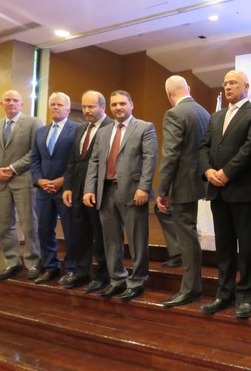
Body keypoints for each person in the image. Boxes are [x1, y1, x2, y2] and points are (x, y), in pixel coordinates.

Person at [199, 70, 251, 318]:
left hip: (242, 189)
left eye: (233, 83)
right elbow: (204, 146)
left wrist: (226, 173)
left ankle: (247, 296)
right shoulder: (216, 116)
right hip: (217, 190)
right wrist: (208, 170)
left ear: (246, 86)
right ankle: (224, 294)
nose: (227, 87)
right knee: (224, 246)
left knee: (246, 246)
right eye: (225, 83)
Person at [83, 90, 158, 302]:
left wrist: (144, 188)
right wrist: (89, 189)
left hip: (134, 192)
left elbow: (150, 159)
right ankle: (117, 280)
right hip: (105, 192)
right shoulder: (103, 132)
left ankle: (137, 281)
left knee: (137, 240)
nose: (118, 107)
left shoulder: (144, 127)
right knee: (111, 240)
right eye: (114, 104)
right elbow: (94, 162)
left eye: (122, 103)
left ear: (131, 105)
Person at [157, 76, 210, 308]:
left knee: (187, 238)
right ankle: (192, 286)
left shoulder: (174, 114)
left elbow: (171, 154)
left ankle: (190, 289)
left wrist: (162, 189)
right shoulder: (204, 112)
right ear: (188, 88)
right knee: (190, 235)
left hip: (182, 184)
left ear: (168, 93)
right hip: (200, 181)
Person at [0, 90, 42, 280]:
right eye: (7, 100)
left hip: (23, 180)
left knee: (29, 224)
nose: (11, 103)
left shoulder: (33, 122)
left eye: (15, 100)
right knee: (3, 226)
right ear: (1, 104)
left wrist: (12, 168)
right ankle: (12, 263)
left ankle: (33, 263)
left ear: (22, 104)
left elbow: (35, 151)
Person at [62, 91, 112, 292]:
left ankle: (103, 276)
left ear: (103, 107)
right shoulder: (81, 129)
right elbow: (73, 160)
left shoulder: (112, 128)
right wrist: (68, 186)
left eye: (91, 107)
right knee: (81, 234)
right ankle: (82, 272)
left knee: (100, 235)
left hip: (100, 192)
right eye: (84, 107)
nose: (86, 111)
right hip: (77, 191)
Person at [30, 92, 80, 284]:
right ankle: (50, 267)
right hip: (43, 190)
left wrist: (63, 180)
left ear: (68, 108)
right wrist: (39, 180)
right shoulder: (41, 131)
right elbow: (35, 159)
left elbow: (79, 161)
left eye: (60, 104)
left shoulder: (77, 129)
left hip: (66, 190)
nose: (56, 107)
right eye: (53, 104)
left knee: (70, 231)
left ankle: (72, 268)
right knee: (44, 229)